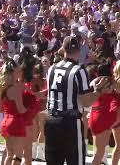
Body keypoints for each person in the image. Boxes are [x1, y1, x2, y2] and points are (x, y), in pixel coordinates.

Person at [45, 36, 110, 165]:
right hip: (70, 123)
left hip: (52, 121)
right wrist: (98, 91)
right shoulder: (78, 71)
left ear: (63, 49)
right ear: (79, 51)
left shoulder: (52, 68)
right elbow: (86, 102)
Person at [0, 60, 27, 165]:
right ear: (13, 73)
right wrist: (33, 107)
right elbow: (21, 109)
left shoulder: (2, 88)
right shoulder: (15, 89)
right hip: (16, 121)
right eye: (18, 71)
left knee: (9, 153)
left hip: (5, 121)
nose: (20, 73)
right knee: (18, 155)